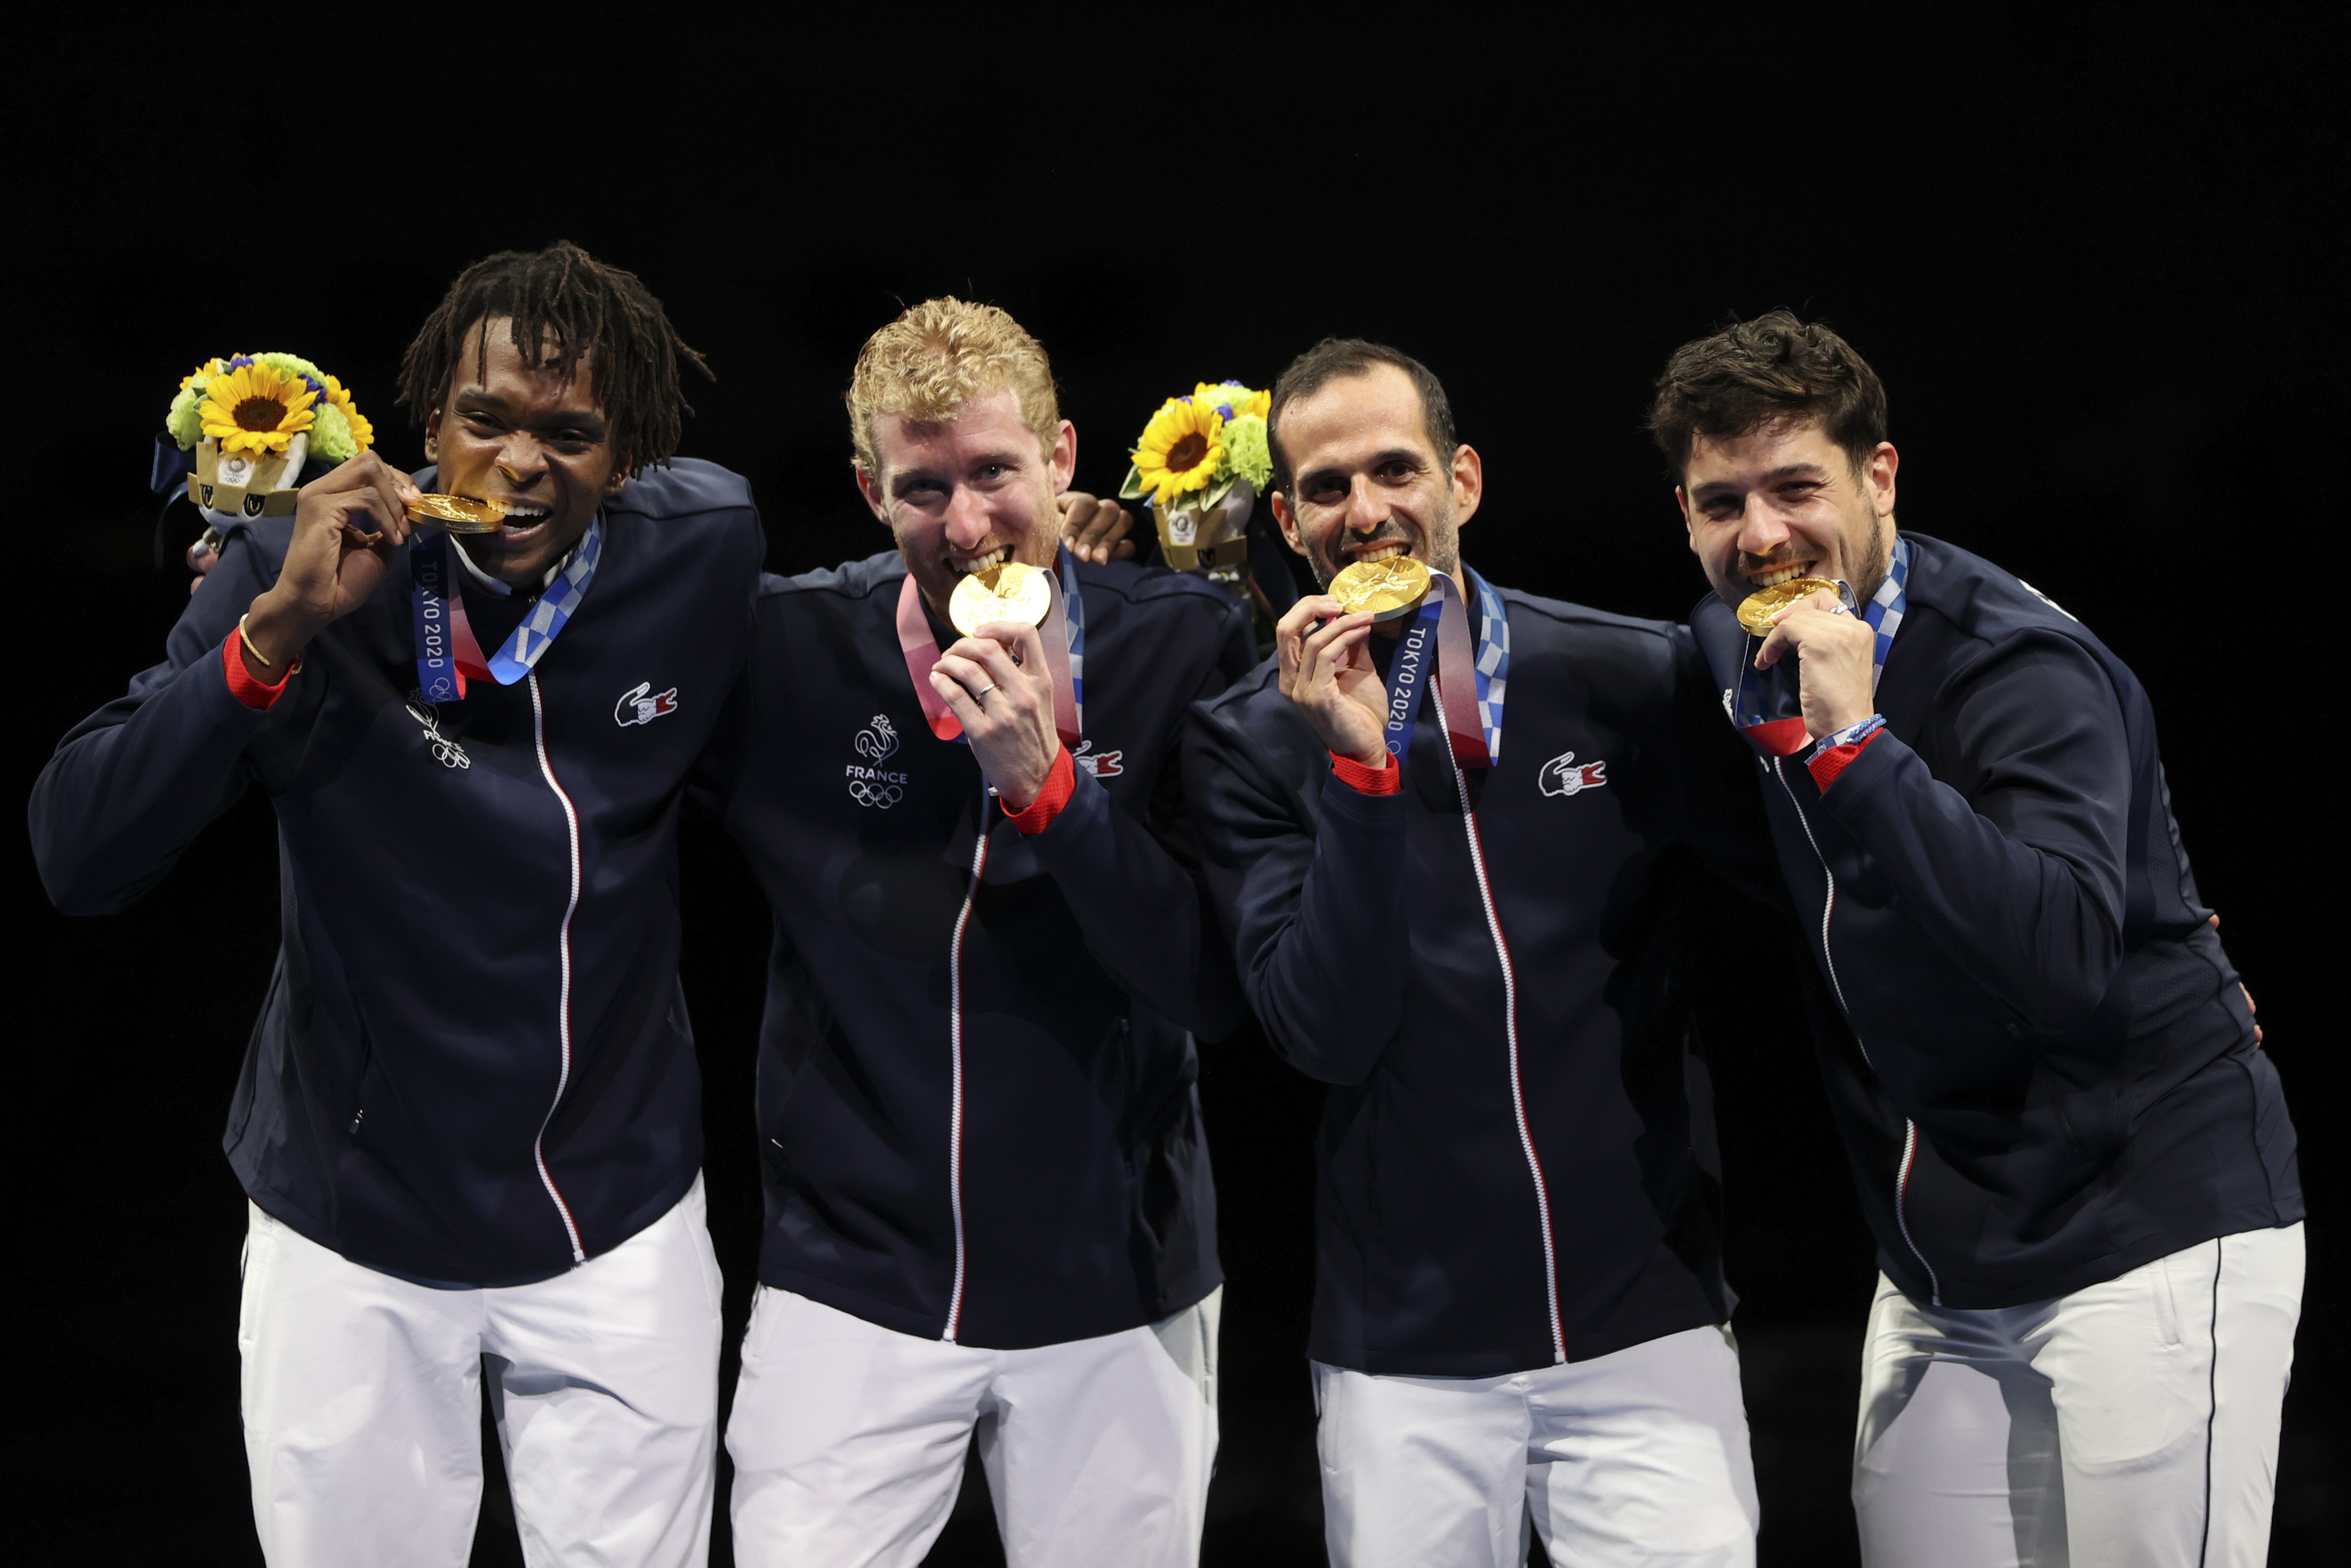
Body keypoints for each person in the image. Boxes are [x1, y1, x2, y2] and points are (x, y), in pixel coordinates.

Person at [31, 242, 762, 1566]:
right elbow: (78, 850)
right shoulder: (292, 562)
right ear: (428, 425)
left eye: (573, 432)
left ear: (629, 453)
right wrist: (275, 631)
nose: (523, 462)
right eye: (486, 421)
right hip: (352, 1224)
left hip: (615, 1224)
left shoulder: (700, 547)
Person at [1654, 310, 2304, 1566]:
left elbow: (2061, 959)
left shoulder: (2022, 665)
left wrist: (1857, 748)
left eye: (1797, 487)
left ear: (1879, 475)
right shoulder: (1728, 649)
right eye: (1721, 500)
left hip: (2151, 1226)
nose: (1763, 534)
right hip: (1946, 1266)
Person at [1183, 339, 1771, 1567]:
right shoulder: (1247, 742)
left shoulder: (1624, 673)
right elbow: (1324, 1030)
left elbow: (1802, 889)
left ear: (1464, 480)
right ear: (1289, 523)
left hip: (1646, 1328)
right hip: (1406, 1357)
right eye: (1329, 488)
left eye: (1396, 469)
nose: (1370, 511)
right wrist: (1357, 771)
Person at [714, 299, 1255, 1567]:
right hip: (850, 1291)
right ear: (868, 489)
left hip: (1119, 1287)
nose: (965, 525)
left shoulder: (1184, 640)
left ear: (1063, 460)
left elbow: (1211, 984)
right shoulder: (786, 648)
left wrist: (1054, 794)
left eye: (997, 473)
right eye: (923, 486)